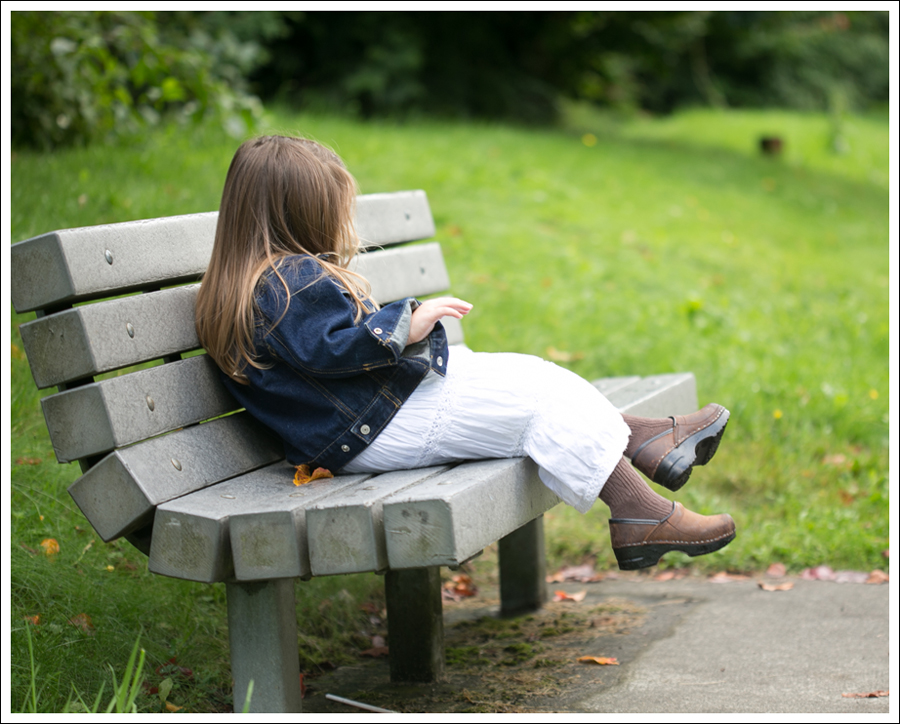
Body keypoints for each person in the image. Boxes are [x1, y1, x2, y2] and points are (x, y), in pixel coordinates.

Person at [195, 135, 735, 571]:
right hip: (366, 431)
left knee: (533, 377)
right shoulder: (288, 280)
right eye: (335, 209)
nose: (343, 221)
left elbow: (323, 353)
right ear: (301, 213)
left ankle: (647, 443)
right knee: (533, 405)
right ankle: (640, 510)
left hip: (366, 419)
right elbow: (330, 350)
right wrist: (405, 323)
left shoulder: (263, 281)